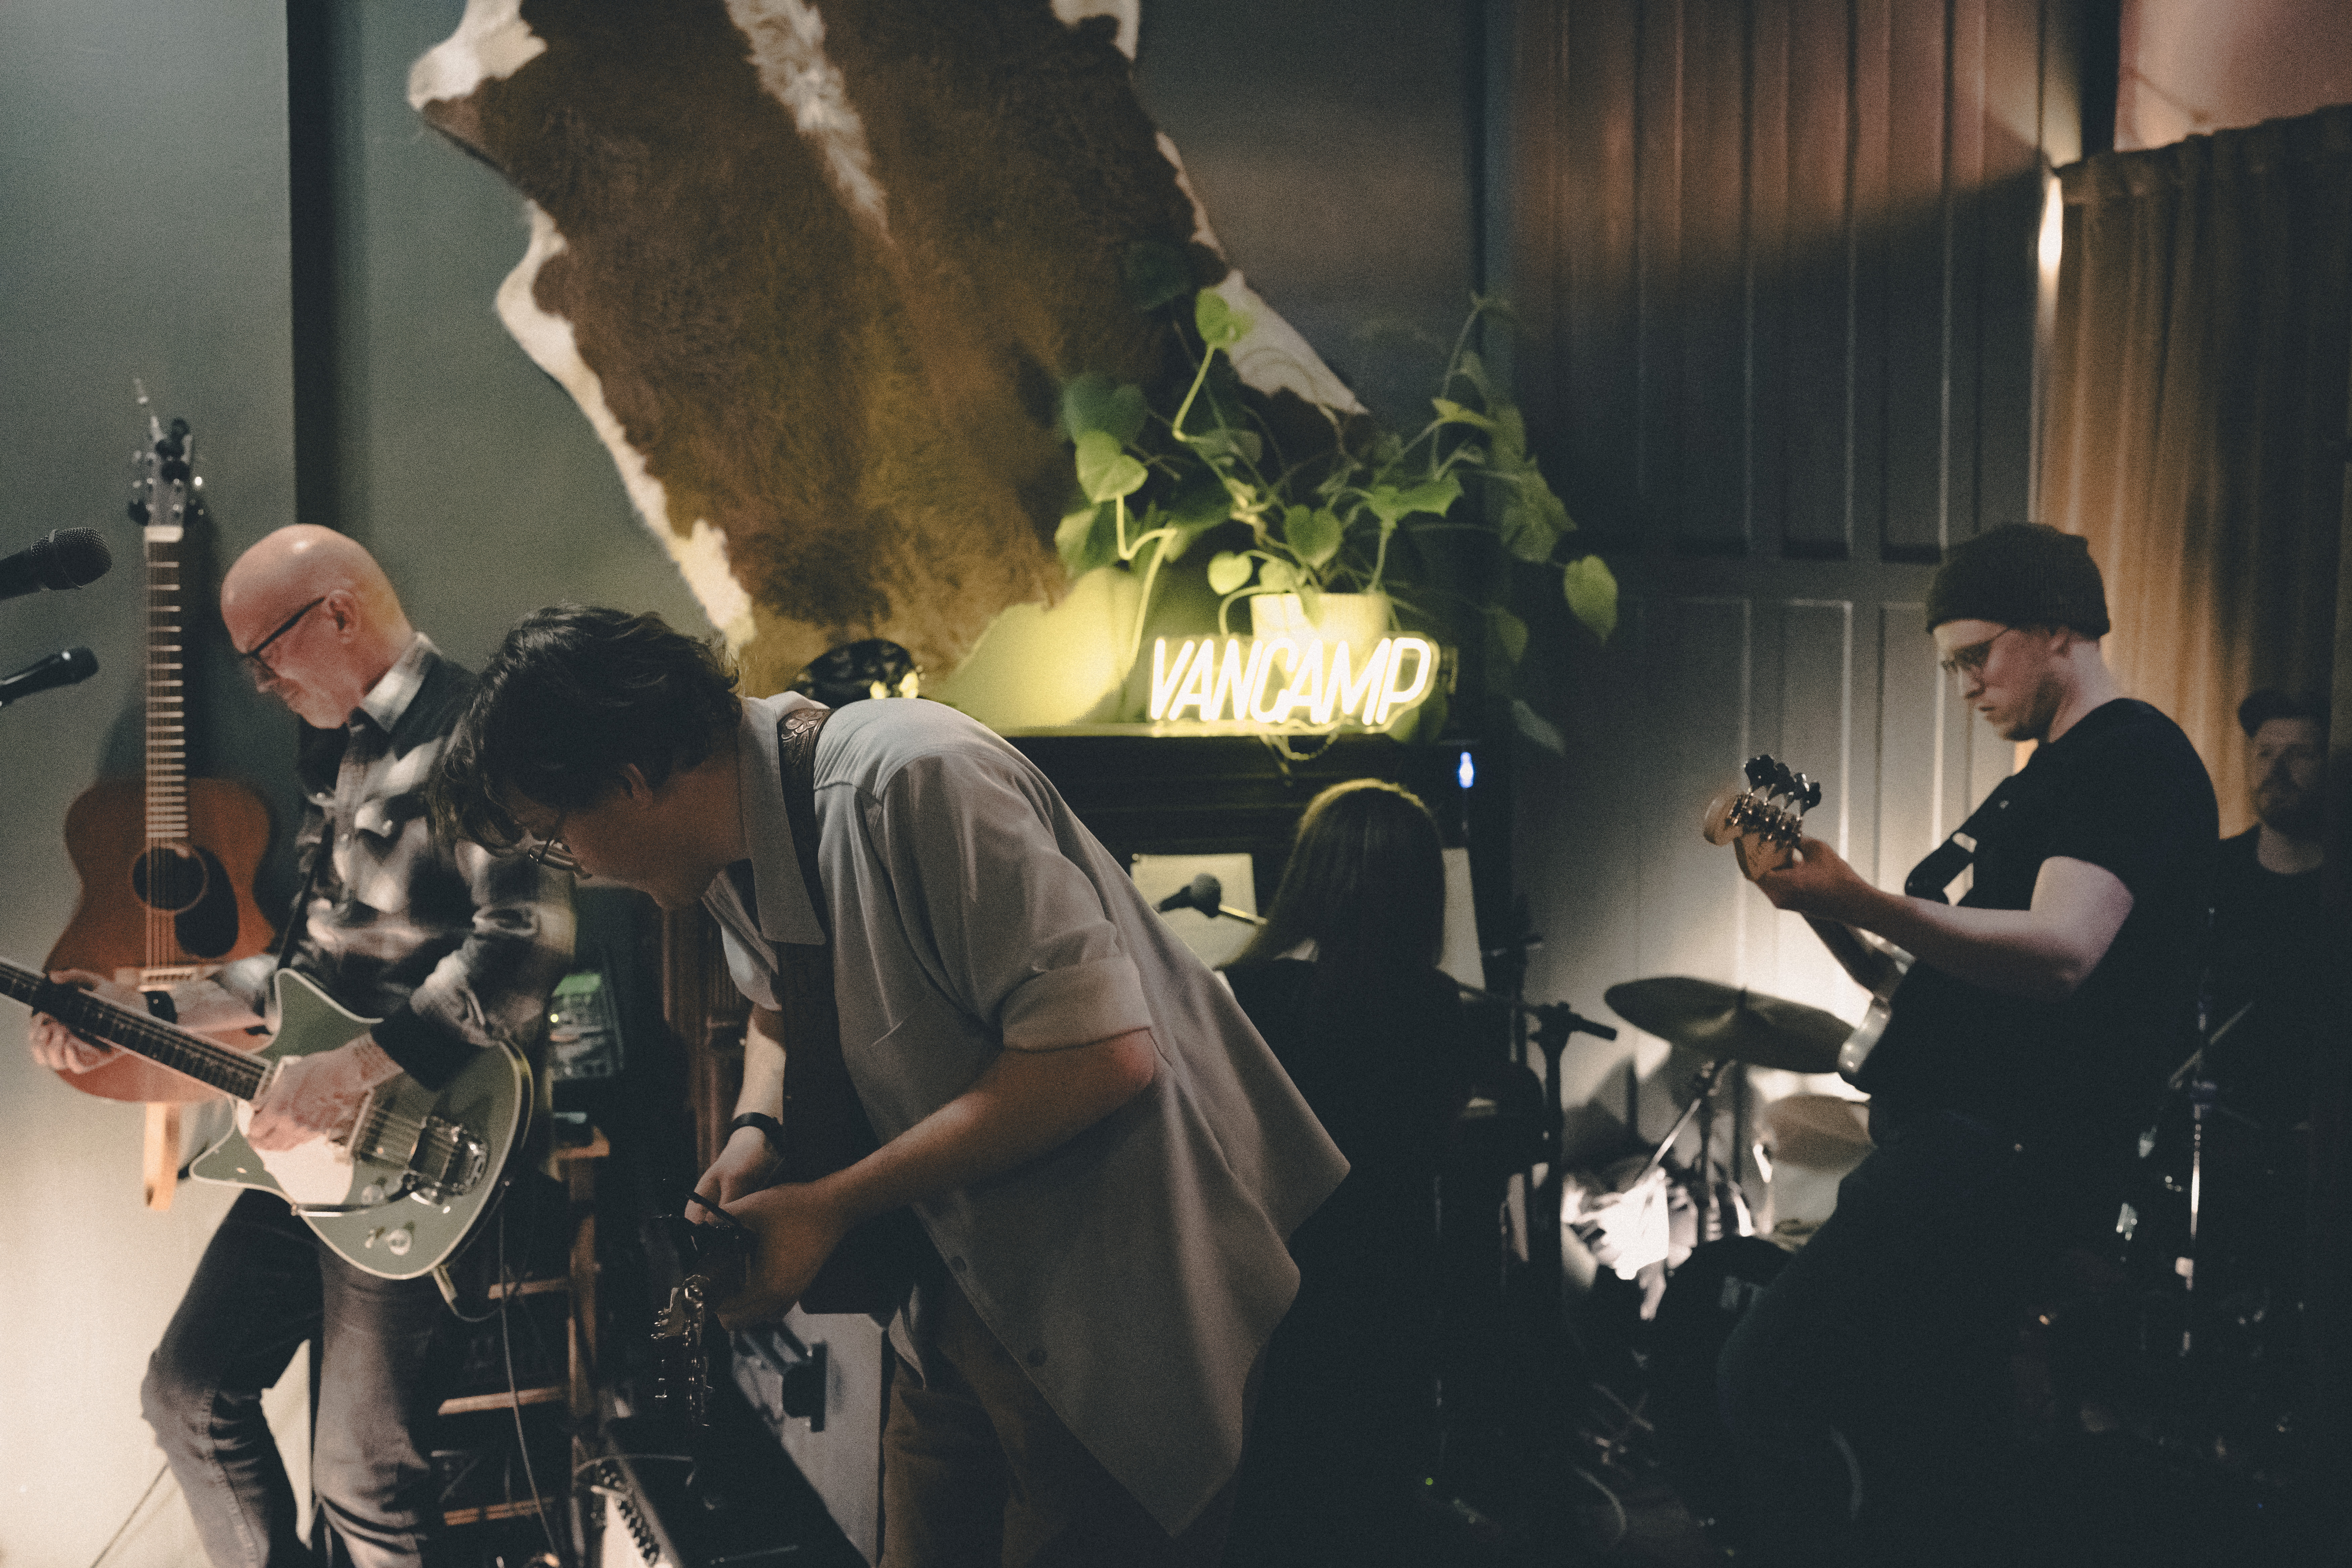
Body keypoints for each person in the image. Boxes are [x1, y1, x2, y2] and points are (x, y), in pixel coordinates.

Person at [431, 605, 1345, 1568]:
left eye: (556, 839)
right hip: (952, 1301)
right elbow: (781, 1015)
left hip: (1109, 1306)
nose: (577, 871)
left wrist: (829, 1205)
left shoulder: (910, 776)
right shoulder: (730, 849)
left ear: (629, 780)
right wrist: (754, 1134)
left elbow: (1100, 1057)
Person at [29, 526, 575, 1568]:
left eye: (264, 651)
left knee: (365, 1484)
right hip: (314, 1144)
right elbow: (301, 971)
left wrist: (356, 1072)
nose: (263, 680)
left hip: (427, 1146)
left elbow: (527, 948)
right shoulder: (344, 747)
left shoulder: (483, 738)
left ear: (337, 613)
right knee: (186, 1393)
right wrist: (130, 1011)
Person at [1714, 523, 2218, 1565]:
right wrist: (1814, 901)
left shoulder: (2130, 756)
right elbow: (1926, 984)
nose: (1965, 688)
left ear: (2057, 629)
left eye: (1975, 656)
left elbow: (2063, 953)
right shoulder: (2047, 775)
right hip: (1952, 1148)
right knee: (1930, 1447)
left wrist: (1859, 891)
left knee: (1768, 1372)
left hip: (1995, 1156)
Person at [1217, 780, 1469, 1568]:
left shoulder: (1248, 997)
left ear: (1309, 879)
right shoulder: (1440, 1007)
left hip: (1275, 1282)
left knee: (1275, 1494)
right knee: (1376, 1494)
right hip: (1395, 1278)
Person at [2205, 689, 2329, 1129]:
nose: (2277, 771)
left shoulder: (2341, 887)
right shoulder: (2212, 872)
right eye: (2265, 754)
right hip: (2222, 1124)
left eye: (2300, 755)